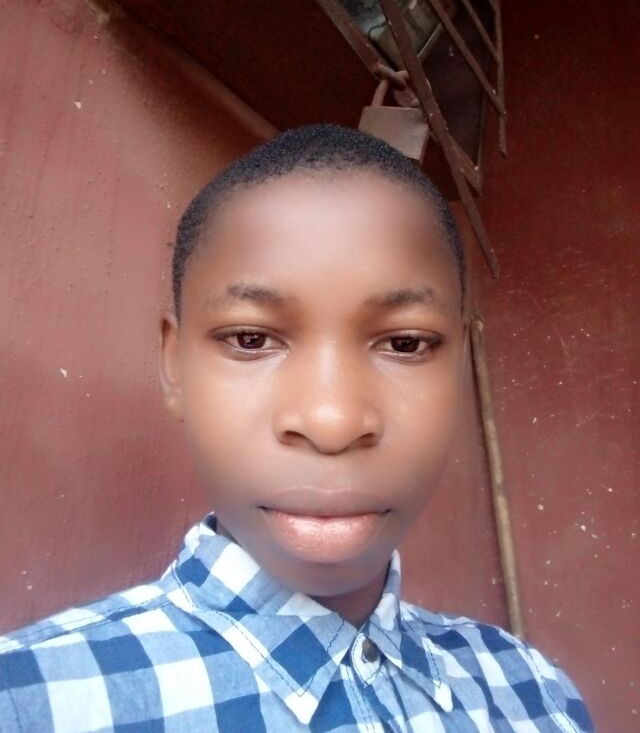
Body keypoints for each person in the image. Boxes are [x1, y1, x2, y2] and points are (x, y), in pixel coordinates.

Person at [0, 125, 592, 732]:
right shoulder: (33, 704)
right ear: (175, 367)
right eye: (250, 339)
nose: (332, 423)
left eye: (404, 343)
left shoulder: (532, 695)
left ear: (460, 364)